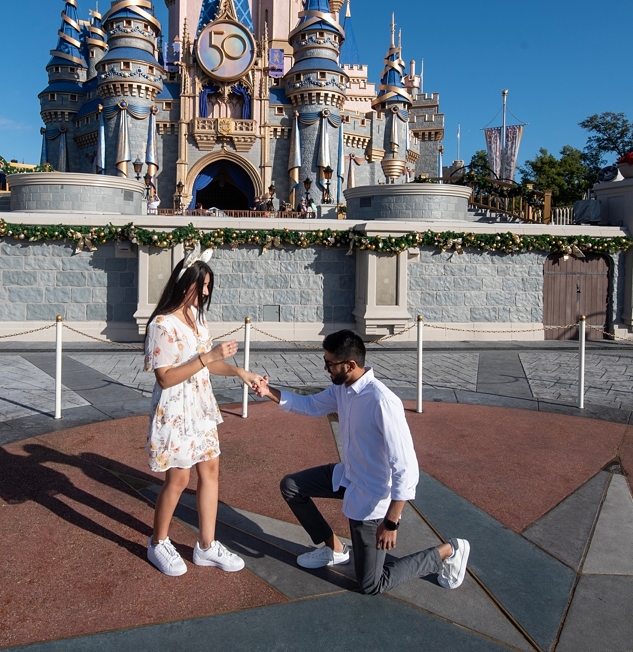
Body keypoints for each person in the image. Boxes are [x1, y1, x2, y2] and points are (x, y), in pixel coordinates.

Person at [250, 330, 471, 595]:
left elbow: (406, 467)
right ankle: (334, 548)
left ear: (350, 365)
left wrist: (391, 522)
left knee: (370, 585)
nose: (325, 368)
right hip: (348, 476)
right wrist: (268, 392)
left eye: (330, 363)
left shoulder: (383, 401)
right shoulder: (342, 389)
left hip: (372, 495)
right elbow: (310, 405)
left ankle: (449, 551)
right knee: (292, 486)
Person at [144, 247, 266, 577]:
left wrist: (242, 373)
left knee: (210, 470)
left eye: (209, 286)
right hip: (175, 409)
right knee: (179, 477)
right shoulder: (162, 324)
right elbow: (165, 378)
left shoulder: (198, 319)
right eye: (203, 286)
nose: (207, 292)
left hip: (200, 406)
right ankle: (158, 542)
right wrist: (208, 356)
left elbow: (209, 366)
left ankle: (207, 546)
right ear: (184, 284)